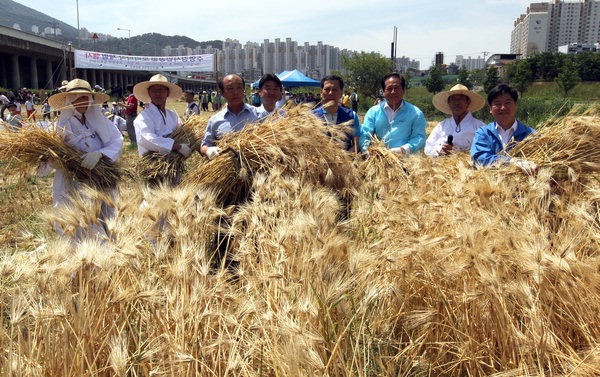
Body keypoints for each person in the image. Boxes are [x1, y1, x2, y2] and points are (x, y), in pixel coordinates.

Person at [43, 79, 123, 240]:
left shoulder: (100, 121)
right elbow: (48, 157)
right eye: (77, 98)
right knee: (79, 219)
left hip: (99, 178)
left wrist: (100, 154)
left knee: (105, 213)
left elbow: (117, 140)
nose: (83, 101)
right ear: (70, 101)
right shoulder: (61, 128)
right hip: (73, 181)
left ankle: (107, 247)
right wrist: (58, 161)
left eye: (86, 97)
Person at [133, 74, 191, 184]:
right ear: (149, 93)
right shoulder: (144, 117)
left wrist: (189, 145)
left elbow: (183, 132)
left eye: (162, 90)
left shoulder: (173, 115)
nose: (158, 93)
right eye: (154, 90)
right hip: (153, 169)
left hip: (173, 167)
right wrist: (177, 147)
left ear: (167, 93)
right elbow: (148, 139)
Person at [471, 84, 537, 173]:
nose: (503, 107)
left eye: (508, 103)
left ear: (515, 105)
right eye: (497, 104)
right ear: (490, 109)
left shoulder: (531, 135)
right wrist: (511, 162)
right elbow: (479, 158)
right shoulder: (483, 133)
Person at [360, 73, 426, 154]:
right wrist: (366, 149)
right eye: (389, 88)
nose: (393, 92)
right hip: (379, 160)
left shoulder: (415, 113)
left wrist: (402, 150)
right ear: (383, 91)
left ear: (403, 90)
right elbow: (365, 134)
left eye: (397, 88)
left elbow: (419, 138)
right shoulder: (373, 112)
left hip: (407, 161)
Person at [201, 74, 259, 160]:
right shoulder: (215, 120)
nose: (235, 92)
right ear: (222, 92)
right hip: (227, 170)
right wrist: (208, 150)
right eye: (230, 88)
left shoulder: (258, 115)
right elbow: (204, 145)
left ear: (243, 90)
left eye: (239, 88)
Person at [425, 84, 486, 156]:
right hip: (440, 165)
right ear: (448, 103)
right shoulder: (441, 126)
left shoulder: (480, 127)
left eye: (460, 99)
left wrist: (458, 152)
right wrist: (441, 149)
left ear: (468, 102)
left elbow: (485, 151)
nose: (456, 102)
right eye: (453, 99)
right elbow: (428, 148)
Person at [312, 75, 360, 153]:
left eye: (335, 90)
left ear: (341, 93)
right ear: (321, 92)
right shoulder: (310, 117)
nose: (330, 93)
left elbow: (356, 144)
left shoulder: (351, 116)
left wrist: (345, 157)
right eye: (327, 89)